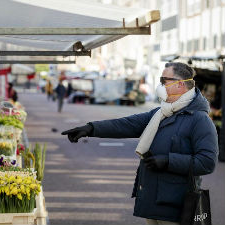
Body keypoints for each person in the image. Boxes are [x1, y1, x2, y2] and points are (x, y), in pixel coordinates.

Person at [61, 62, 218, 225]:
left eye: (164, 81)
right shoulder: (162, 112)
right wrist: (90, 129)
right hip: (152, 201)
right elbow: (126, 125)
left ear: (179, 85)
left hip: (176, 207)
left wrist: (168, 161)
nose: (160, 85)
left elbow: (207, 162)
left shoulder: (200, 119)